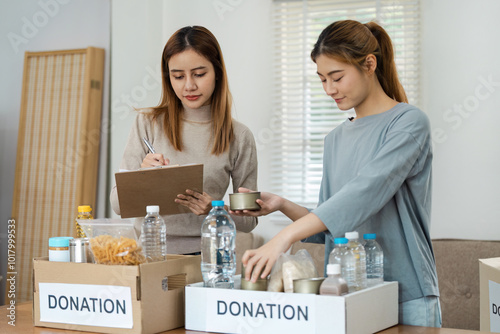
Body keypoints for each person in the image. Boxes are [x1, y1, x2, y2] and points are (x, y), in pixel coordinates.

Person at [234, 20, 441, 327]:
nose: (329, 89)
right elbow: (332, 226)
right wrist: (283, 205)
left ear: (369, 64)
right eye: (321, 80)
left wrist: (283, 238)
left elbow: (364, 193)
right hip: (346, 296)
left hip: (407, 296)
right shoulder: (335, 140)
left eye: (337, 77)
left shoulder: (409, 123)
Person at [110, 26, 258, 255]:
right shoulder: (147, 123)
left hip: (210, 259)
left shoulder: (239, 137)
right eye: (178, 76)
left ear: (217, 72)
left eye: (199, 74)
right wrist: (140, 176)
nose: (189, 85)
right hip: (151, 255)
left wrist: (215, 210)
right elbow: (118, 206)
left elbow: (249, 222)